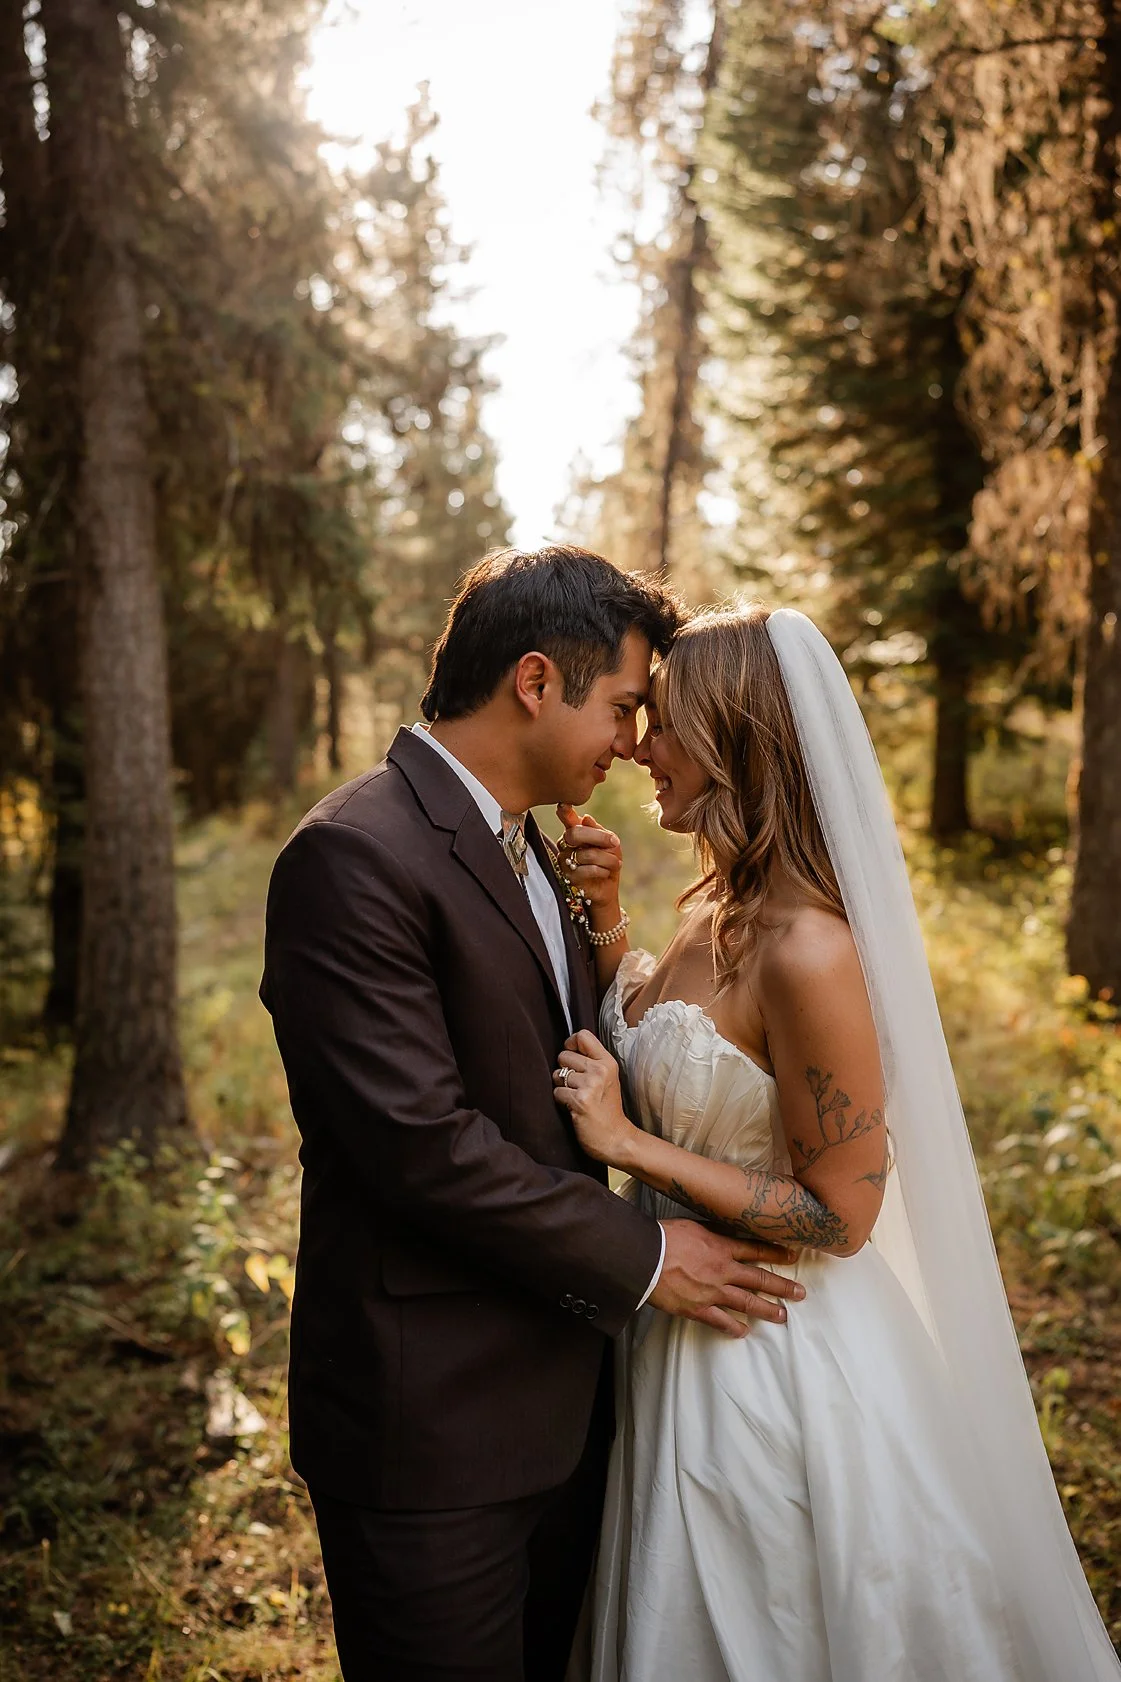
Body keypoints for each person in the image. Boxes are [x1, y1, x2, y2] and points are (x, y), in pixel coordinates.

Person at [258, 549, 804, 1682]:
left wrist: (602, 927)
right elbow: (421, 1148)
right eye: (619, 705)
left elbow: (563, 1066)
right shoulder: (352, 854)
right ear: (535, 680)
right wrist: (649, 1253)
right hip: (432, 1425)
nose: (630, 737)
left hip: (572, 1395)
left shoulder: (532, 847)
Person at [553, 603, 1121, 1682]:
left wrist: (635, 1145)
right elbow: (688, 1049)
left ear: (732, 743)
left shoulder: (808, 947)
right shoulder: (716, 905)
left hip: (769, 1356)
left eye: (663, 723)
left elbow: (839, 1214)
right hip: (674, 1325)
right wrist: (612, 918)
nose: (637, 746)